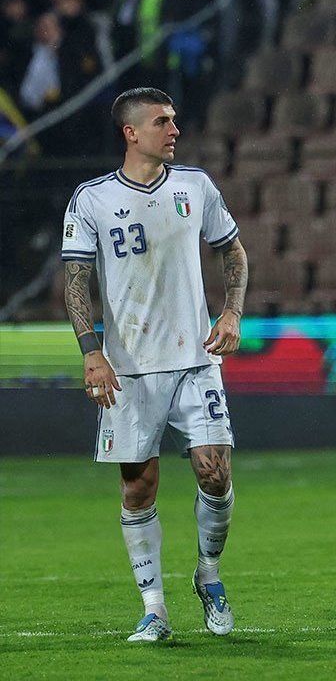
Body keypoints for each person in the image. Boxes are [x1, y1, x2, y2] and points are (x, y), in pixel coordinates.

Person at [61, 87, 247, 642]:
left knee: (214, 470)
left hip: (196, 359)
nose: (174, 130)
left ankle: (208, 574)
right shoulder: (91, 199)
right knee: (138, 488)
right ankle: (155, 609)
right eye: (162, 122)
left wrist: (232, 312)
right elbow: (76, 280)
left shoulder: (196, 186)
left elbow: (232, 250)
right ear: (131, 132)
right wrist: (91, 352)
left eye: (174, 120)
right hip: (129, 367)